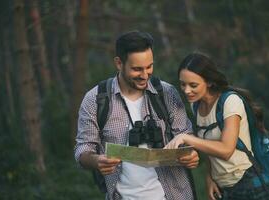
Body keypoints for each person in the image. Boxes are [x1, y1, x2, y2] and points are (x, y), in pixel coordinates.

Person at [74, 30, 199, 200]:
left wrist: (190, 155)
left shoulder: (167, 93)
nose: (145, 75)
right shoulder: (95, 100)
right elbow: (83, 149)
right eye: (137, 69)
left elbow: (186, 136)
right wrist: (97, 161)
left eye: (149, 67)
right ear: (119, 63)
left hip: (174, 194)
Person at [165, 52, 269, 200]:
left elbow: (226, 149)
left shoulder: (230, 102)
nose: (187, 90)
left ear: (209, 82)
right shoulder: (196, 105)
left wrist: (186, 138)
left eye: (193, 85)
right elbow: (208, 146)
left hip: (248, 184)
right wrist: (210, 177)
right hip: (224, 189)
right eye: (183, 84)